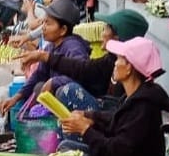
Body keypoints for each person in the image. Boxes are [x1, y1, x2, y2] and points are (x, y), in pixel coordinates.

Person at [58, 36, 169, 156]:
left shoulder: (144, 108)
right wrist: (89, 116)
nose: (114, 63)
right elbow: (115, 119)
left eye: (119, 59)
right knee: (66, 147)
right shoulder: (132, 97)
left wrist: (85, 129)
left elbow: (114, 151)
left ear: (129, 68)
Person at [20, 8, 149, 109]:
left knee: (69, 91)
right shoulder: (110, 60)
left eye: (106, 29)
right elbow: (83, 69)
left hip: (110, 127)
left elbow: (82, 69)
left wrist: (89, 123)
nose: (102, 33)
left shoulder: (132, 77)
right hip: (105, 118)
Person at [0, 0, 88, 117]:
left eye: (48, 23)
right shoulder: (51, 46)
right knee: (38, 87)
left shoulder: (73, 47)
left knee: (60, 90)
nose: (43, 27)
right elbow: (39, 74)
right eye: (43, 22)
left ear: (63, 30)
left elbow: (82, 75)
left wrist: (54, 82)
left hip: (80, 107)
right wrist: (15, 98)